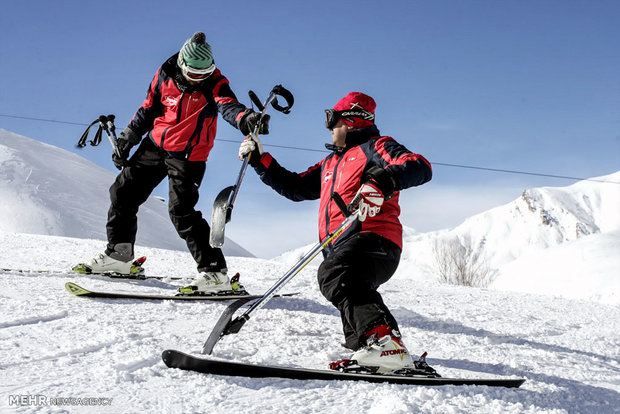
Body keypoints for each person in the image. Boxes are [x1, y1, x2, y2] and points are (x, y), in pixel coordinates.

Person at [238, 92, 433, 373]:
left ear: (351, 121)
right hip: (342, 246)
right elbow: (296, 187)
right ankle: (375, 351)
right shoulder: (330, 163)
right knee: (344, 288)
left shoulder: (376, 147)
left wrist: (381, 182)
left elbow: (419, 166)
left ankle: (386, 344)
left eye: (332, 120)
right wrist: (260, 159)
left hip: (375, 239)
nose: (329, 128)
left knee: (336, 274)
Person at [80, 32, 268, 295]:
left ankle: (214, 272)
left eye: (205, 73)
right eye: (194, 73)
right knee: (122, 192)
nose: (198, 78)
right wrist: (128, 138)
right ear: (182, 64)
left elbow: (228, 105)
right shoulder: (165, 74)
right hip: (155, 144)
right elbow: (148, 109)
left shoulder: (215, 83)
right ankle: (119, 255)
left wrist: (245, 118)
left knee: (181, 211)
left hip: (189, 155)